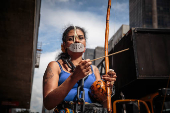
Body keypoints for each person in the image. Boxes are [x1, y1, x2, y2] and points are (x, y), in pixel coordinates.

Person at [43, 25, 117, 112]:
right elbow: (48, 104)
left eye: (81, 38)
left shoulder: (94, 69)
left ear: (85, 44)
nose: (77, 41)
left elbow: (104, 105)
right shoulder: (55, 66)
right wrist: (74, 77)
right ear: (64, 45)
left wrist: (108, 89)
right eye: (71, 39)